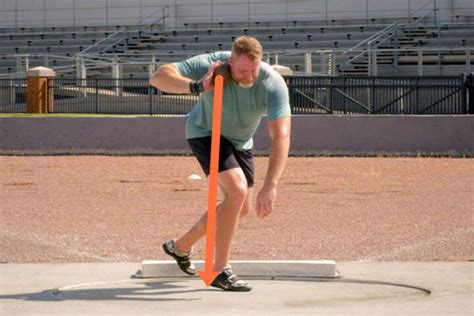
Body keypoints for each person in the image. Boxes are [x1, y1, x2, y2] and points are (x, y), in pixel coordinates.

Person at [149, 36, 291, 292]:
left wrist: (271, 184)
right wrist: (198, 86)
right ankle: (218, 270)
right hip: (205, 131)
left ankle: (179, 247)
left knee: (239, 208)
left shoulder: (271, 83)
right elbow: (159, 77)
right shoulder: (211, 63)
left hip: (241, 141)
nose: (249, 76)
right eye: (242, 70)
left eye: (253, 70)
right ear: (231, 60)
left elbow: (281, 135)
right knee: (236, 191)